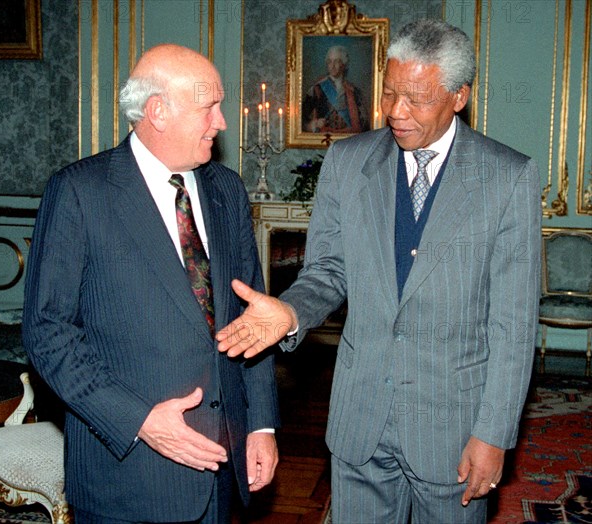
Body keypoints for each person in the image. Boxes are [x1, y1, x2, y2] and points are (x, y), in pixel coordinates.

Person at [216, 19, 541, 523]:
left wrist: (494, 434)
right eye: (389, 93)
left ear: (459, 97)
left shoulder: (506, 177)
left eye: (416, 98)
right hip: (359, 421)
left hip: (453, 430)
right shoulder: (347, 162)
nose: (395, 112)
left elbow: (514, 325)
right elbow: (327, 271)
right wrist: (290, 311)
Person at [22, 44, 280, 523]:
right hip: (128, 476)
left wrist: (261, 425)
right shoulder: (80, 192)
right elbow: (47, 332)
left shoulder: (226, 188)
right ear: (158, 111)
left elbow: (253, 317)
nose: (222, 122)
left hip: (222, 467)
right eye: (209, 107)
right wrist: (139, 422)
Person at [302, 45, 369, 134]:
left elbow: (363, 123)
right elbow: (301, 119)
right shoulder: (316, 89)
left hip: (347, 141)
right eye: (329, 62)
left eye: (336, 61)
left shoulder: (354, 91)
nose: (332, 66)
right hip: (323, 140)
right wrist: (315, 124)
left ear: (343, 64)